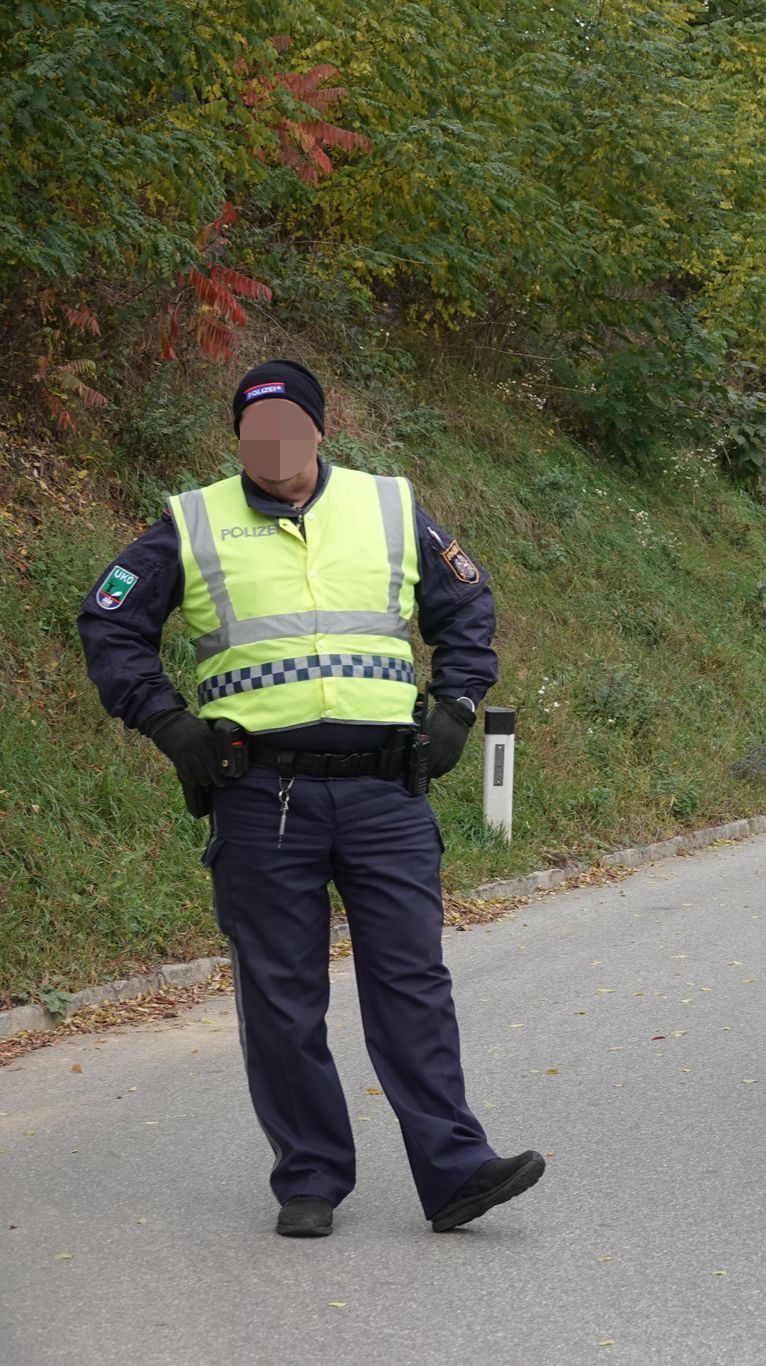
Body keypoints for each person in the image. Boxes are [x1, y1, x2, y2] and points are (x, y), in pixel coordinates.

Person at [77, 359, 544, 1238]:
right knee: (282, 995)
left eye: (289, 427)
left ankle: (455, 1173)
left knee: (413, 981)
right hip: (261, 796)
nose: (274, 447)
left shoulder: (391, 507)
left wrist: (453, 708)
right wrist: (171, 726)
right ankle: (311, 1177)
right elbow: (110, 620)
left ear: (320, 430)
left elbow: (467, 610)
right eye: (257, 432)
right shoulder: (191, 522)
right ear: (239, 440)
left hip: (385, 794)